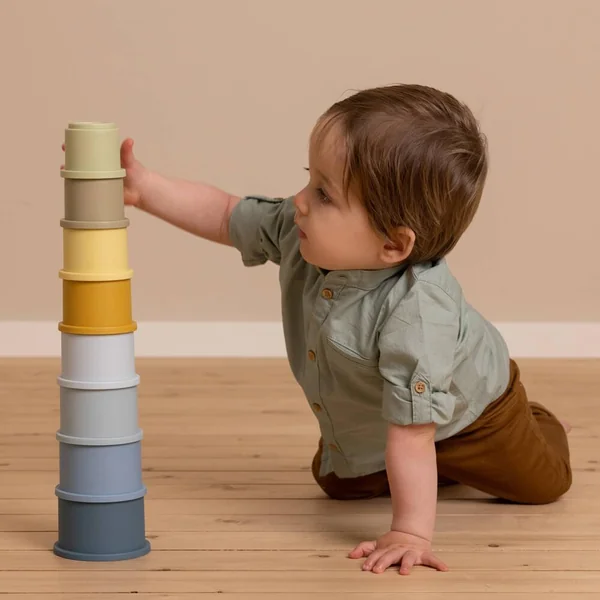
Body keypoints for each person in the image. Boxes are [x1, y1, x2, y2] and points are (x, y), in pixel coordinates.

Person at [61, 84, 572, 575]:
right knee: (337, 484)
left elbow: (413, 434)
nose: (300, 200)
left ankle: (537, 420)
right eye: (310, 179)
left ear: (393, 245)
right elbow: (225, 215)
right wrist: (146, 189)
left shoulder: (418, 317)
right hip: (380, 422)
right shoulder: (299, 227)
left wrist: (410, 533)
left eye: (324, 194)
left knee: (542, 482)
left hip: (474, 413)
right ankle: (431, 474)